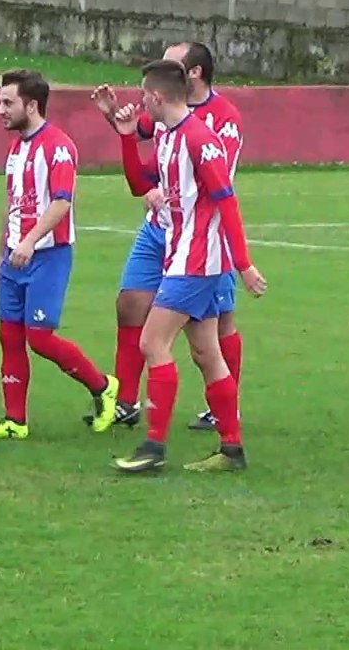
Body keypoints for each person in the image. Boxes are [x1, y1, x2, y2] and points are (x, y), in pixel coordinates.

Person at [109, 60, 266, 474]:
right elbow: (139, 183)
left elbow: (227, 199)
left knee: (152, 343)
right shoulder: (168, 137)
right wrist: (127, 139)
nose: (141, 102)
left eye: (144, 95)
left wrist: (244, 265)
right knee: (205, 352)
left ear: (157, 97)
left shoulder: (199, 138)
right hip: (184, 255)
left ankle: (153, 447)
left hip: (196, 263)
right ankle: (231, 450)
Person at [89, 41, 245, 432]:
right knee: (131, 304)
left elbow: (216, 186)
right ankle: (129, 405)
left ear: (191, 74)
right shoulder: (164, 118)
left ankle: (210, 422)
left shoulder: (219, 120)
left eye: (170, 63)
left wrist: (243, 262)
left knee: (210, 333)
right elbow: (141, 154)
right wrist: (116, 122)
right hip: (162, 230)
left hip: (201, 239)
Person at [0, 69, 120, 440]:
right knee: (9, 334)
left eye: (8, 102)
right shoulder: (16, 147)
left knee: (39, 337)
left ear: (32, 105)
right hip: (13, 257)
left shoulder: (59, 147)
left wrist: (29, 241)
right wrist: (0, 250)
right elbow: (12, 203)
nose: (0, 110)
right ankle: (14, 422)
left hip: (48, 256)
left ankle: (103, 387)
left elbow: (61, 203)